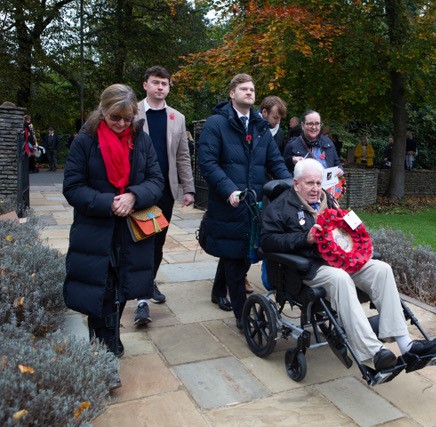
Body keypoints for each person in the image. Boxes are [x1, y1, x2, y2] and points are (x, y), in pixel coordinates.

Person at [261, 158, 436, 370]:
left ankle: (407, 346)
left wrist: (356, 239)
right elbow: (267, 242)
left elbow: (349, 228)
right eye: (309, 184)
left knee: (382, 269)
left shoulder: (330, 201)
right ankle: (373, 352)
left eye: (318, 183)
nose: (315, 189)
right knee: (340, 279)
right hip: (308, 267)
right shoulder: (280, 207)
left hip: (342, 261)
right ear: (296, 184)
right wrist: (304, 238)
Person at [62, 84, 164, 387]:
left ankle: (111, 336)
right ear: (102, 111)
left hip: (131, 232)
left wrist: (133, 196)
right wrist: (109, 203)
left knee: (122, 288)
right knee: (101, 291)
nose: (121, 124)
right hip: (96, 231)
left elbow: (156, 181)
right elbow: (73, 187)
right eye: (115, 117)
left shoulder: (141, 140)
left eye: (127, 118)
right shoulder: (84, 142)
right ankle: (103, 355)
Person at [198, 73, 291, 327]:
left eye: (252, 88)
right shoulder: (216, 124)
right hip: (230, 203)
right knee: (235, 259)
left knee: (234, 253)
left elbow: (276, 163)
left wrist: (294, 188)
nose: (249, 92)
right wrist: (229, 190)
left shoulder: (261, 128)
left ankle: (218, 291)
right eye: (243, 89)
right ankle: (242, 318)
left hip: (254, 206)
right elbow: (207, 163)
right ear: (232, 94)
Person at [133, 65, 196, 325]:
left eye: (164, 83)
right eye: (156, 82)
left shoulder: (177, 118)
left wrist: (189, 188)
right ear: (145, 85)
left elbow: (182, 156)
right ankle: (141, 298)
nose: (160, 87)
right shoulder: (132, 112)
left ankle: (148, 283)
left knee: (158, 242)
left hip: (166, 191)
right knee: (141, 241)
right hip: (139, 189)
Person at [283, 110, 343, 175]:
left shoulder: (328, 142)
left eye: (317, 124)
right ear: (303, 126)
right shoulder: (292, 145)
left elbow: (337, 163)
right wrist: (292, 160)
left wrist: (340, 169)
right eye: (310, 124)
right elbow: (283, 167)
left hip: (327, 184)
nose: (314, 127)